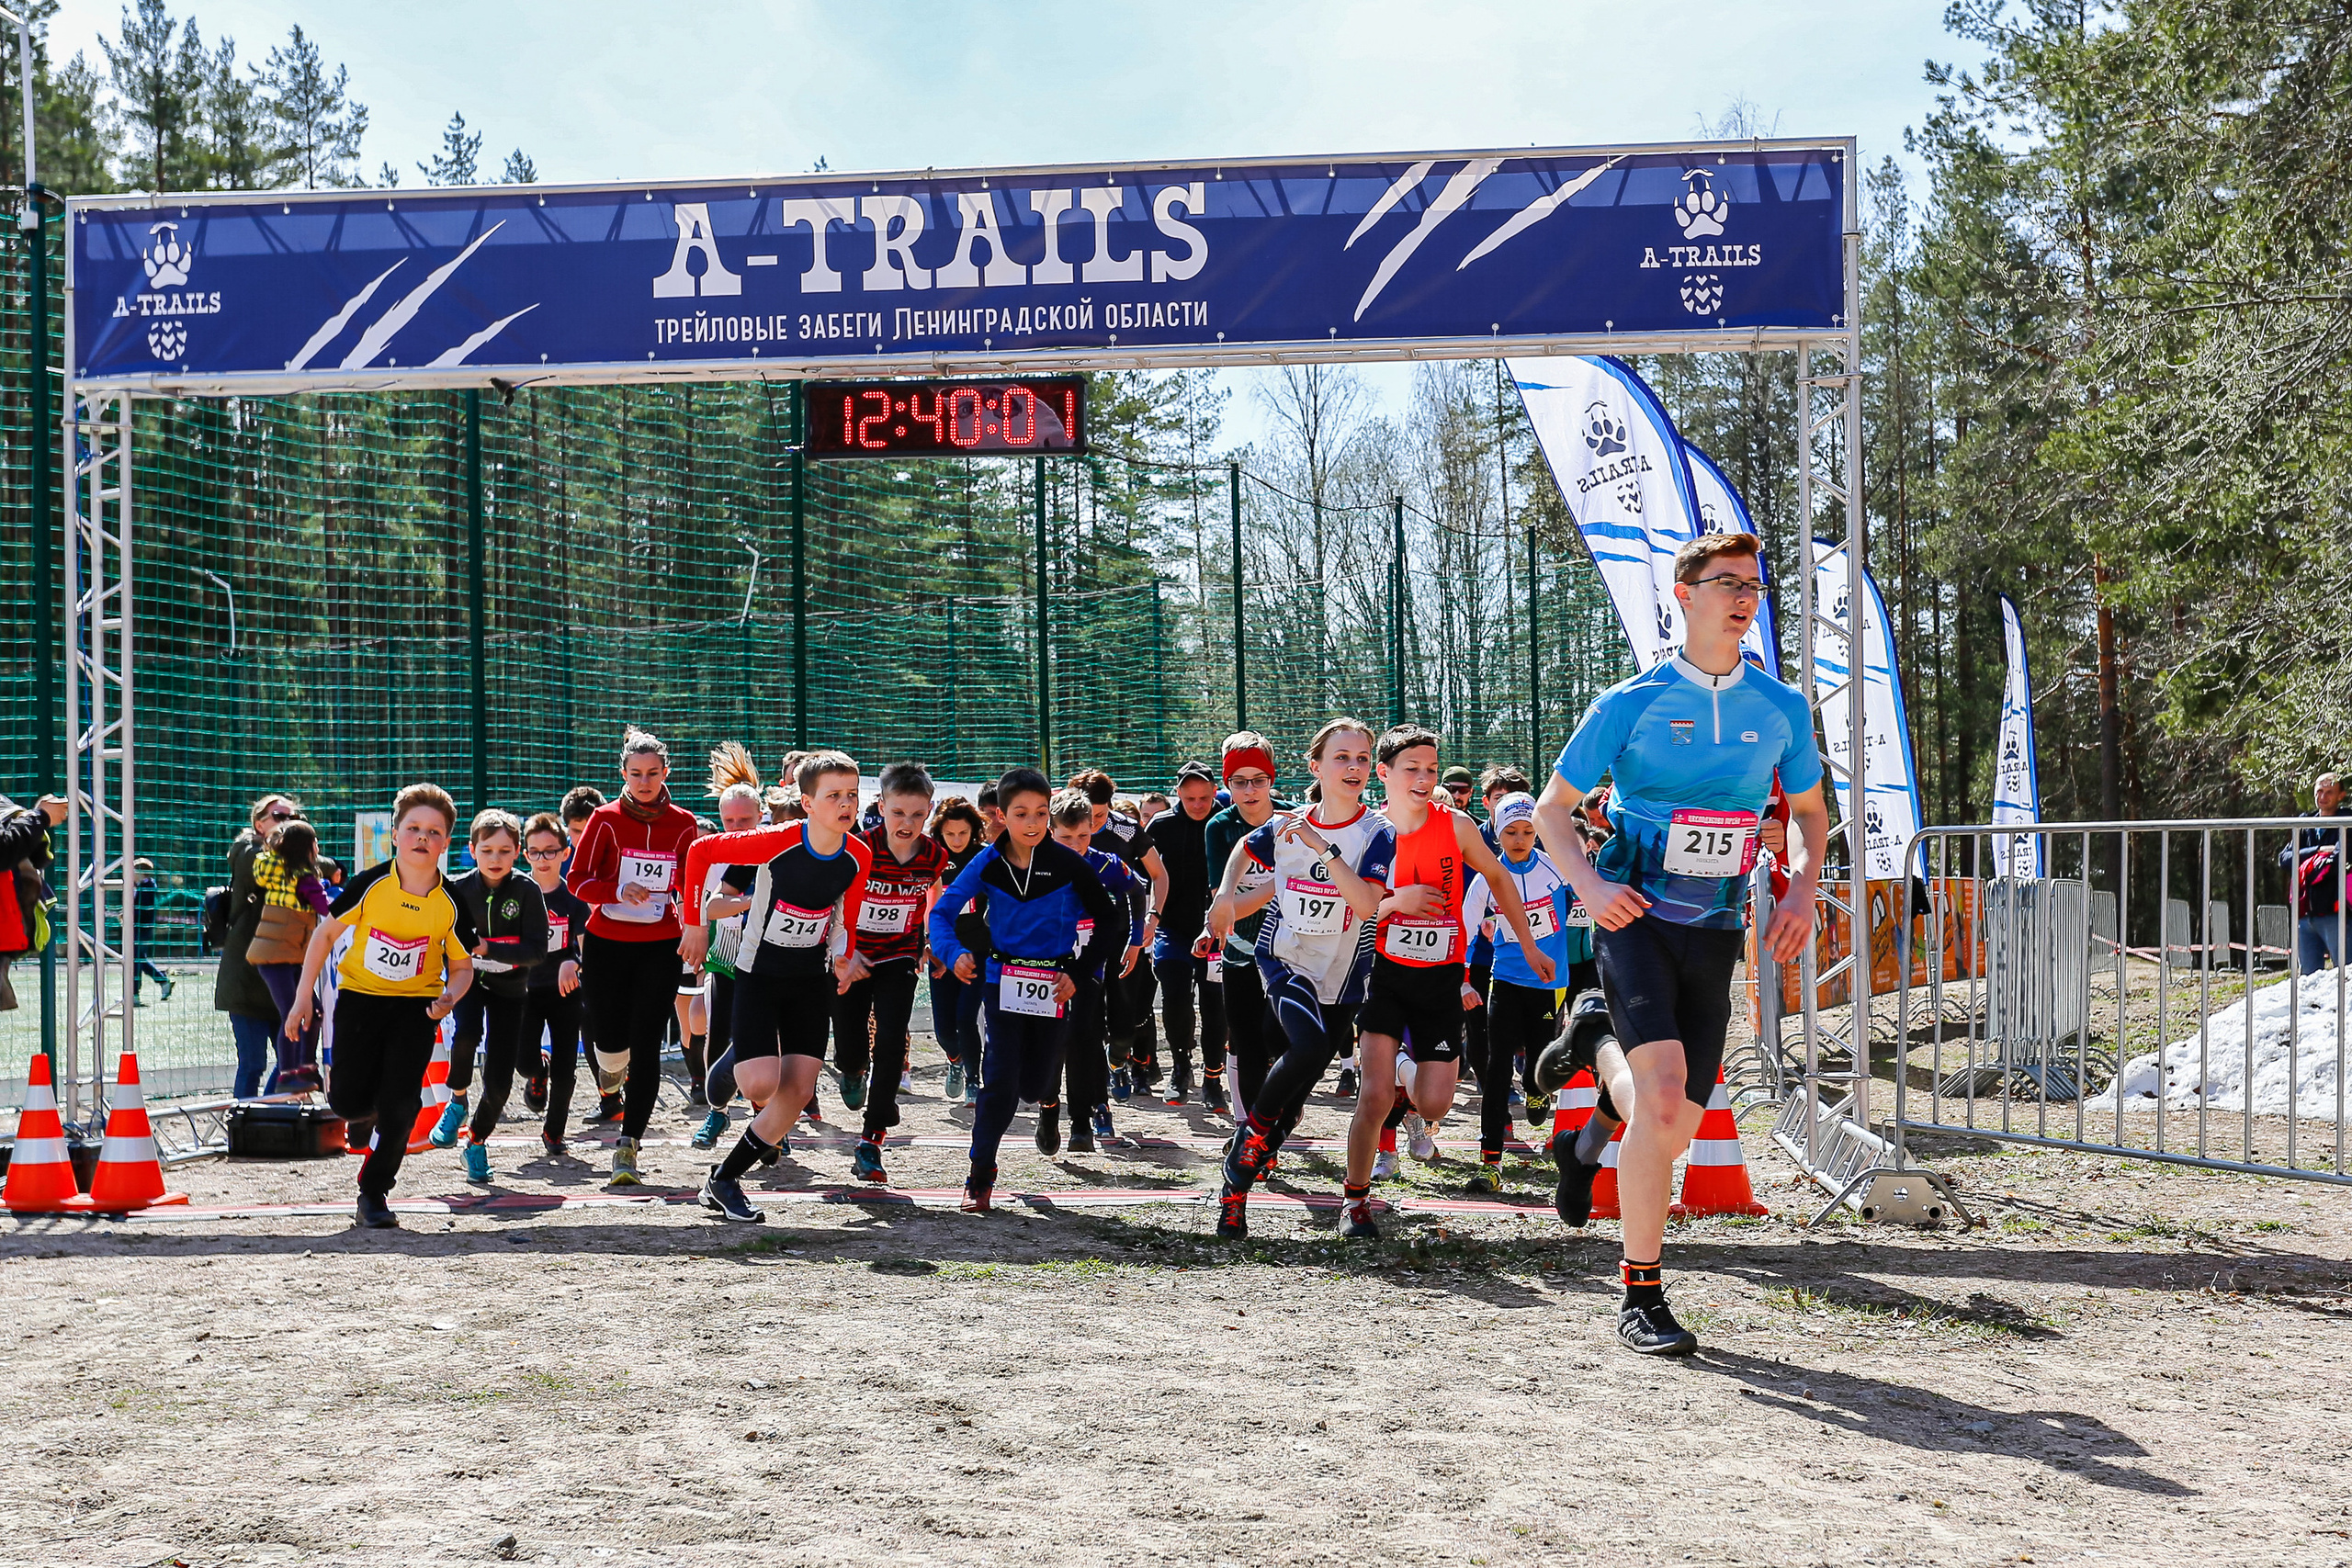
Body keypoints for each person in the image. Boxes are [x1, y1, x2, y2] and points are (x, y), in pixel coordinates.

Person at [1535, 530, 1827, 1356]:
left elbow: (1810, 814)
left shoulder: (1780, 707)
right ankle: (1642, 1295)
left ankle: (1595, 1066)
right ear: (1685, 594)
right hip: (1633, 918)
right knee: (1664, 1108)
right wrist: (1589, 887)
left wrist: (1801, 887)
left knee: (1672, 1122)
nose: (1744, 598)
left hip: (1716, 927)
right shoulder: (1629, 703)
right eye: (1727, 582)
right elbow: (1552, 810)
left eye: (1754, 586)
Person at [1344, 727, 1550, 1236]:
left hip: (1441, 979)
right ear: (1383, 773)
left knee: (1435, 1103)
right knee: (1374, 1098)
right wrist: (1399, 901)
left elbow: (1499, 878)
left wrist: (1528, 944)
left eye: (1431, 769)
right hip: (1384, 975)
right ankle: (1355, 1202)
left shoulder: (1456, 826)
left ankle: (1403, 1067)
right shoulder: (1368, 831)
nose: (1423, 778)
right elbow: (1353, 907)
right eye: (1411, 768)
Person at [1210, 719, 1396, 1240]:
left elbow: (1365, 903)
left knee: (1293, 1101)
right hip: (1285, 958)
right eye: (1342, 758)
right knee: (1310, 1046)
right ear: (1316, 767)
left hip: (1344, 973)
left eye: (1362, 759)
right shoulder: (1286, 825)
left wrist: (1322, 847)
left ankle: (1234, 1187)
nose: (1354, 767)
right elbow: (1244, 849)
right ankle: (1246, 1151)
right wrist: (1224, 896)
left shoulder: (1377, 833)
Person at [677, 750, 873, 1223]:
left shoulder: (859, 855)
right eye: (833, 795)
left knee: (799, 1091)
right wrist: (695, 925)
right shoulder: (777, 841)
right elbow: (700, 853)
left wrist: (844, 957)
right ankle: (732, 1064)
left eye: (852, 795)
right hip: (759, 976)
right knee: (761, 1082)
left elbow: (845, 920)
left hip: (810, 981)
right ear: (807, 803)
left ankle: (723, 1180)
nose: (846, 804)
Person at [927, 767, 1122, 1213]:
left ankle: (1047, 1102)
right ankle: (980, 1174)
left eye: (1040, 813)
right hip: (1002, 981)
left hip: (1055, 985)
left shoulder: (1069, 863)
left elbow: (1108, 918)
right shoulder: (987, 862)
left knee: (1032, 1086)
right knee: (999, 1080)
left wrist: (1080, 972)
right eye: (1021, 814)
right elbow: (941, 913)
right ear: (1001, 815)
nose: (1032, 823)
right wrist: (953, 952)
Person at [282, 784, 475, 1230]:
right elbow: (324, 936)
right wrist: (303, 997)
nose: (422, 837)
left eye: (434, 831)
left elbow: (463, 967)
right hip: (360, 1001)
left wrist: (451, 995)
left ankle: (374, 1192)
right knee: (347, 1101)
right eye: (413, 828)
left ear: (446, 842)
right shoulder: (371, 884)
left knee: (402, 1107)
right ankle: (365, 1113)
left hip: (416, 1009)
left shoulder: (451, 903)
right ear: (394, 835)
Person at [565, 728, 701, 1187]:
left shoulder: (683, 824)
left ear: (666, 773)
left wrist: (693, 922)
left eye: (653, 773)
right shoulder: (604, 819)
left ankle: (628, 1145)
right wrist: (617, 890)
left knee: (646, 1045)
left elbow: (688, 882)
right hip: (607, 943)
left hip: (660, 946)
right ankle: (610, 1073)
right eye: (636, 773)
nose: (645, 782)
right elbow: (577, 881)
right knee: (609, 1044)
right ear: (623, 773)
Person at [835, 761, 950, 1182]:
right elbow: (833, 902)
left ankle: (872, 1139)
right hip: (852, 959)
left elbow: (935, 897)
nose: (907, 823)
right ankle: (850, 1068)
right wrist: (844, 952)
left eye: (917, 814)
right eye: (898, 813)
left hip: (899, 958)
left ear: (930, 811)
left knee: (890, 1043)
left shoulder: (935, 855)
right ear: (881, 807)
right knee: (851, 1045)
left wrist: (933, 942)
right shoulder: (857, 849)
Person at [1460, 792, 1571, 1191]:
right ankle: (1490, 1163)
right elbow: (1465, 929)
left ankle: (1538, 1092)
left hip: (1549, 983)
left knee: (1540, 1058)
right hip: (1505, 980)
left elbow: (1589, 901)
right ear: (1496, 834)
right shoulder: (1486, 879)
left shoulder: (1555, 867)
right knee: (1496, 1068)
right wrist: (1463, 979)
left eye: (1527, 831)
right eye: (1511, 832)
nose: (1520, 839)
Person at [439, 809, 551, 1181]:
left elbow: (537, 951)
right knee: (466, 1033)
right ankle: (457, 1100)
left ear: (518, 851)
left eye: (504, 851)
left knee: (500, 1081)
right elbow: (440, 938)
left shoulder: (527, 891)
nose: (495, 859)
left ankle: (476, 1142)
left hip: (510, 990)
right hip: (469, 981)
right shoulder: (456, 890)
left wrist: (491, 948)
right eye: (486, 850)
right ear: (472, 850)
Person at [1048, 788, 1144, 1152]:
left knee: (1083, 1036)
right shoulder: (1035, 862)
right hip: (1044, 966)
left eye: (1083, 836)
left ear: (1093, 828)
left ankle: (1086, 1120)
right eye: (1066, 838)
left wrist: (1136, 940)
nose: (1076, 845)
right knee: (1050, 1040)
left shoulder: (1106, 864)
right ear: (1051, 831)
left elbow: (1137, 890)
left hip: (1090, 964)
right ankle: (1048, 1109)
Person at [1198, 734, 1283, 1124]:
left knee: (1284, 1040)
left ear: (1271, 779)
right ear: (1227, 783)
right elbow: (1225, 907)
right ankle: (1250, 1130)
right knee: (1247, 1042)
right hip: (1240, 950)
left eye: (1258, 780)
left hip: (1291, 952)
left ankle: (1281, 1104)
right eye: (1239, 782)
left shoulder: (1292, 820)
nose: (1250, 791)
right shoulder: (1219, 827)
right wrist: (1281, 883)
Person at [690, 745, 768, 1150]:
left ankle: (768, 1121)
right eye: (729, 821)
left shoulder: (774, 849)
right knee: (717, 1034)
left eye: (745, 820)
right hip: (725, 958)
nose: (736, 828)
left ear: (761, 816)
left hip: (769, 962)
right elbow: (707, 907)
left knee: (764, 1043)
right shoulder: (713, 855)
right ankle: (717, 1112)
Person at [1075, 770, 1169, 1097]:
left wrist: (1152, 918)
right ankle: (1097, 1082)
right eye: (1087, 816)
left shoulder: (1125, 830)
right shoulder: (1063, 829)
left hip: (1124, 936)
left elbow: (1158, 875)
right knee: (1086, 1015)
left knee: (1126, 1018)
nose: (1092, 824)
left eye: (1099, 816)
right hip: (1078, 938)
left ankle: (1118, 1059)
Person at [1147, 761, 1229, 1109]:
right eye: (1190, 798)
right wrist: (1150, 917)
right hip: (1174, 929)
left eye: (1204, 798)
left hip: (1217, 931)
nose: (1197, 805)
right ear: (1178, 793)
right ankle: (1181, 1065)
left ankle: (1213, 1077)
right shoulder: (1161, 825)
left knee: (1215, 1004)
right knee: (1175, 992)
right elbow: (1144, 875)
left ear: (1214, 792)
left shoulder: (1226, 823)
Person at [215, 794, 301, 1099]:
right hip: (246, 980)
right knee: (252, 1064)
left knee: (292, 1060)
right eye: (278, 817)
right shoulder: (247, 852)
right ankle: (244, 1120)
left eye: (292, 818)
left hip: (281, 979)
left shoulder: (296, 858)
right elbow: (278, 867)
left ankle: (266, 1112)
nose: (286, 823)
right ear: (258, 823)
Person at [242, 820, 335, 1092]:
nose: (318, 847)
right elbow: (327, 910)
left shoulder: (277, 870)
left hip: (285, 955)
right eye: (315, 842)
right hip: (278, 957)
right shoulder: (305, 880)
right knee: (293, 1014)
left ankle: (305, 1066)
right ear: (307, 847)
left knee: (312, 1011)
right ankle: (287, 1074)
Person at [520, 813, 590, 1150]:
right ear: (525, 854)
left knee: (566, 1067)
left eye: (550, 851)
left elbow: (586, 949)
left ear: (565, 852)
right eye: (535, 851)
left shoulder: (573, 898)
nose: (542, 858)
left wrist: (573, 963)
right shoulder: (517, 894)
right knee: (523, 1060)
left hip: (564, 991)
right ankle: (538, 1070)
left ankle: (554, 1131)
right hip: (525, 990)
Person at [926, 796, 989, 1107]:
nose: (957, 840)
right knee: (943, 1030)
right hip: (941, 951)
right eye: (950, 834)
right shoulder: (931, 859)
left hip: (977, 950)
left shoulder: (985, 857)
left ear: (973, 830)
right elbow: (924, 907)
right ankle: (955, 1058)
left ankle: (973, 1080)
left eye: (963, 833)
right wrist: (930, 945)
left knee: (966, 1018)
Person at [2282, 772, 2349, 972]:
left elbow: (2338, 861)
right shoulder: (2305, 824)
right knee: (2308, 979)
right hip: (2305, 916)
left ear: (2341, 795)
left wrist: (2303, 866)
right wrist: (2318, 851)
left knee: (2345, 975)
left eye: (2329, 792)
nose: (2323, 796)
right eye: (2319, 791)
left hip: (2337, 914)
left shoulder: (2348, 822)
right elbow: (2284, 859)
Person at [130, 859, 175, 1006]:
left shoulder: (147, 887)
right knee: (139, 960)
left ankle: (134, 994)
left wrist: (130, 915)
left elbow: (143, 911)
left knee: (135, 961)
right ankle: (163, 981)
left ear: (141, 872)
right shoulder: (141, 886)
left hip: (141, 928)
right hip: (140, 928)